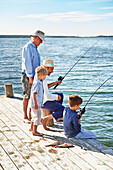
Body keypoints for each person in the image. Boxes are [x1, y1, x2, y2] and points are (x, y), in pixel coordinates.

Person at [21, 30, 45, 123]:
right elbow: (28, 63)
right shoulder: (28, 47)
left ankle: (31, 115)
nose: (42, 42)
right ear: (35, 38)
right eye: (41, 40)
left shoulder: (35, 47)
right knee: (27, 95)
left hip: (34, 76)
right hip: (28, 75)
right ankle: (25, 116)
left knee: (32, 95)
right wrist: (30, 77)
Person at [41, 59, 65, 130]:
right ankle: (45, 119)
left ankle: (57, 116)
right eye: (51, 69)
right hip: (43, 101)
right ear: (46, 68)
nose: (52, 71)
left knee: (61, 94)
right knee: (63, 110)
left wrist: (55, 83)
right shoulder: (43, 78)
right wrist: (56, 97)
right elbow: (47, 96)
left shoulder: (41, 76)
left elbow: (45, 87)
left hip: (42, 98)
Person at [29, 66, 48, 136]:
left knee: (34, 116)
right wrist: (36, 104)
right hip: (36, 104)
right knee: (37, 117)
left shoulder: (37, 82)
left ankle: (31, 128)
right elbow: (34, 93)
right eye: (45, 76)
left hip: (35, 103)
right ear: (41, 75)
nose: (45, 77)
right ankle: (35, 131)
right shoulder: (37, 83)